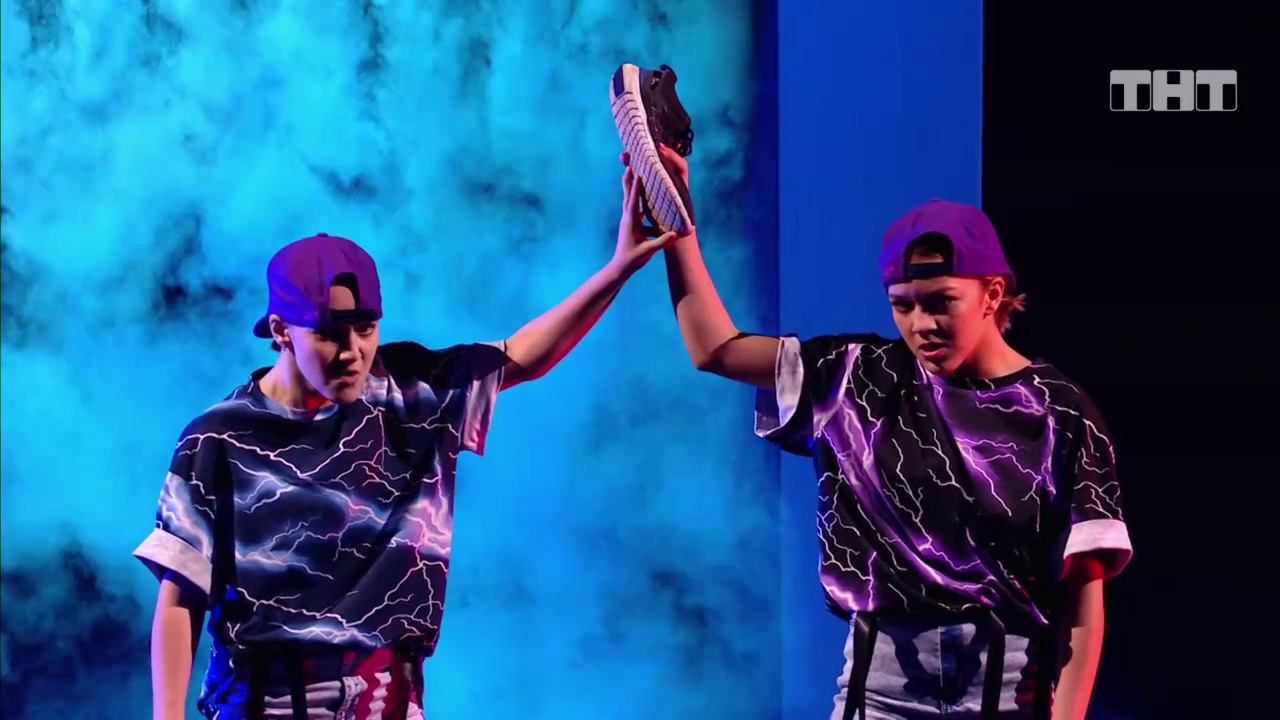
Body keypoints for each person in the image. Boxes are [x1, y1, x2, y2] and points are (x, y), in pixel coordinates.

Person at [133, 166, 675, 720]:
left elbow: (520, 354)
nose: (352, 351)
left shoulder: (411, 391)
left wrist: (619, 267)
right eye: (328, 334)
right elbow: (180, 595)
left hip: (387, 698)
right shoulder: (219, 437)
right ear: (280, 331)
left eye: (366, 329)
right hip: (268, 702)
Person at [647, 144, 1132, 719]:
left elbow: (1082, 599)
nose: (921, 324)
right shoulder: (854, 377)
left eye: (941, 302)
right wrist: (677, 224)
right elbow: (715, 349)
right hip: (881, 695)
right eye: (902, 306)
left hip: (1006, 696)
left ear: (993, 293)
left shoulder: (1058, 412)